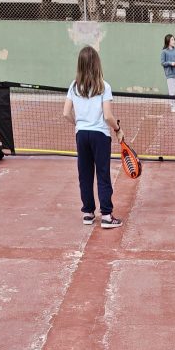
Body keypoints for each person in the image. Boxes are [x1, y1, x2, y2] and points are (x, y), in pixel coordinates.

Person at [63, 46, 124, 229]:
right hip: (100, 135)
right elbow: (108, 116)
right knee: (103, 174)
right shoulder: (104, 86)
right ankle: (106, 216)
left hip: (81, 135)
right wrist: (118, 129)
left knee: (85, 174)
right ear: (97, 64)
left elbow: (65, 113)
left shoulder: (74, 86)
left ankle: (88, 213)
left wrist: (79, 124)